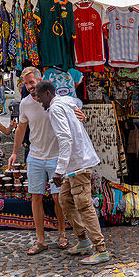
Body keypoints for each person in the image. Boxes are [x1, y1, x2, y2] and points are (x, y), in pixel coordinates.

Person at [36, 80, 110, 265]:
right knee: (65, 201)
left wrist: (58, 171)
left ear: (47, 93)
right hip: (73, 165)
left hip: (78, 165)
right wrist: (80, 113)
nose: (37, 99)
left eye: (38, 95)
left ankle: (101, 250)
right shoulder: (66, 101)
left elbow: (65, 139)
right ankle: (83, 240)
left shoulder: (55, 109)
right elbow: (77, 103)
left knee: (84, 206)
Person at [10, 67, 73, 254]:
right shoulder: (25, 104)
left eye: (32, 82)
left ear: (40, 80)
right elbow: (21, 129)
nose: (29, 86)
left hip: (55, 156)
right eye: (26, 83)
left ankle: (62, 233)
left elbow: (72, 113)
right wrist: (14, 152)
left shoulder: (53, 101)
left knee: (57, 196)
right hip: (35, 156)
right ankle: (40, 239)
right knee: (35, 196)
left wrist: (82, 116)